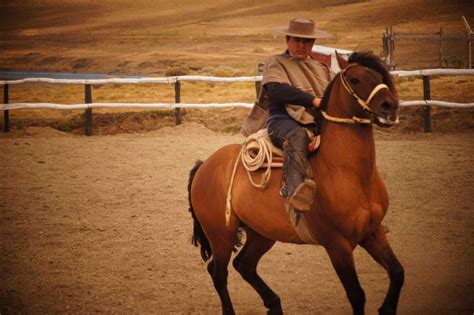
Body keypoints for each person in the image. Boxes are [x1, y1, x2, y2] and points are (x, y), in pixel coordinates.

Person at [242, 18, 334, 212]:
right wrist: (313, 101)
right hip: (282, 121)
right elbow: (276, 90)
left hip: (316, 122)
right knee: (297, 135)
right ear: (287, 39)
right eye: (297, 40)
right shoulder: (276, 62)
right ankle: (294, 190)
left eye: (307, 41)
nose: (302, 45)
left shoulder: (322, 69)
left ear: (313, 43)